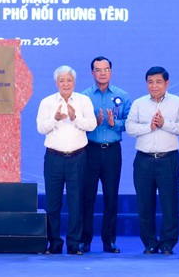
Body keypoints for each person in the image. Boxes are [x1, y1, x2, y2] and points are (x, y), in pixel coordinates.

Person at [125, 66, 179, 255]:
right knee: (145, 205)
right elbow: (129, 128)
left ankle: (168, 243)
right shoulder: (139, 103)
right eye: (150, 82)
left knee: (170, 204)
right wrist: (150, 127)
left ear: (167, 83)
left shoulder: (178, 103)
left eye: (158, 82)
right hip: (143, 160)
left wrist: (164, 124)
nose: (154, 86)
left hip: (168, 159)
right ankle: (150, 243)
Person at [36, 65, 96, 255]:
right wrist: (55, 119)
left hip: (77, 158)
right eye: (62, 80)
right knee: (53, 203)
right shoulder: (47, 102)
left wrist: (74, 117)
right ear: (56, 83)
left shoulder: (84, 101)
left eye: (69, 80)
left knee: (76, 202)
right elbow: (41, 128)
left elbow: (92, 124)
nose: (65, 84)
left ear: (74, 82)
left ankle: (74, 243)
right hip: (54, 158)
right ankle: (54, 243)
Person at [79, 56, 131, 253]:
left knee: (111, 197)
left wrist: (113, 123)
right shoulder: (83, 97)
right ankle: (85, 240)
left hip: (112, 151)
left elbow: (130, 123)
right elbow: (78, 124)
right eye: (98, 69)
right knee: (87, 197)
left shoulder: (122, 95)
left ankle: (109, 241)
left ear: (111, 71)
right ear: (92, 73)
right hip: (89, 150)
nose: (102, 73)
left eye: (106, 69)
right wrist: (94, 122)